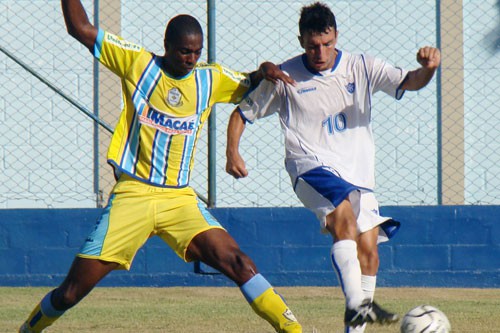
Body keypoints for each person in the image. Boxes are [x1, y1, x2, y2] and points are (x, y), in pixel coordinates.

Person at [19, 1, 302, 332]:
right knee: (70, 292)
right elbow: (80, 28)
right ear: (167, 45)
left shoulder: (209, 79)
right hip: (133, 194)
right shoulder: (137, 63)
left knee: (239, 263)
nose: (190, 59)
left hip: (179, 200)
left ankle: (294, 329)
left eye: (196, 52)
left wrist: (264, 69)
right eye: (184, 51)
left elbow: (251, 80)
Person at [225, 2, 441, 332]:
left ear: (337, 36)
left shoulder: (363, 66)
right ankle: (357, 306)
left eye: (327, 44)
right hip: (309, 166)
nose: (320, 52)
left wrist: (429, 68)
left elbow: (410, 81)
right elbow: (241, 114)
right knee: (342, 216)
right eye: (313, 45)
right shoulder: (284, 76)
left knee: (369, 252)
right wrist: (232, 153)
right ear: (301, 41)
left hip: (358, 176)